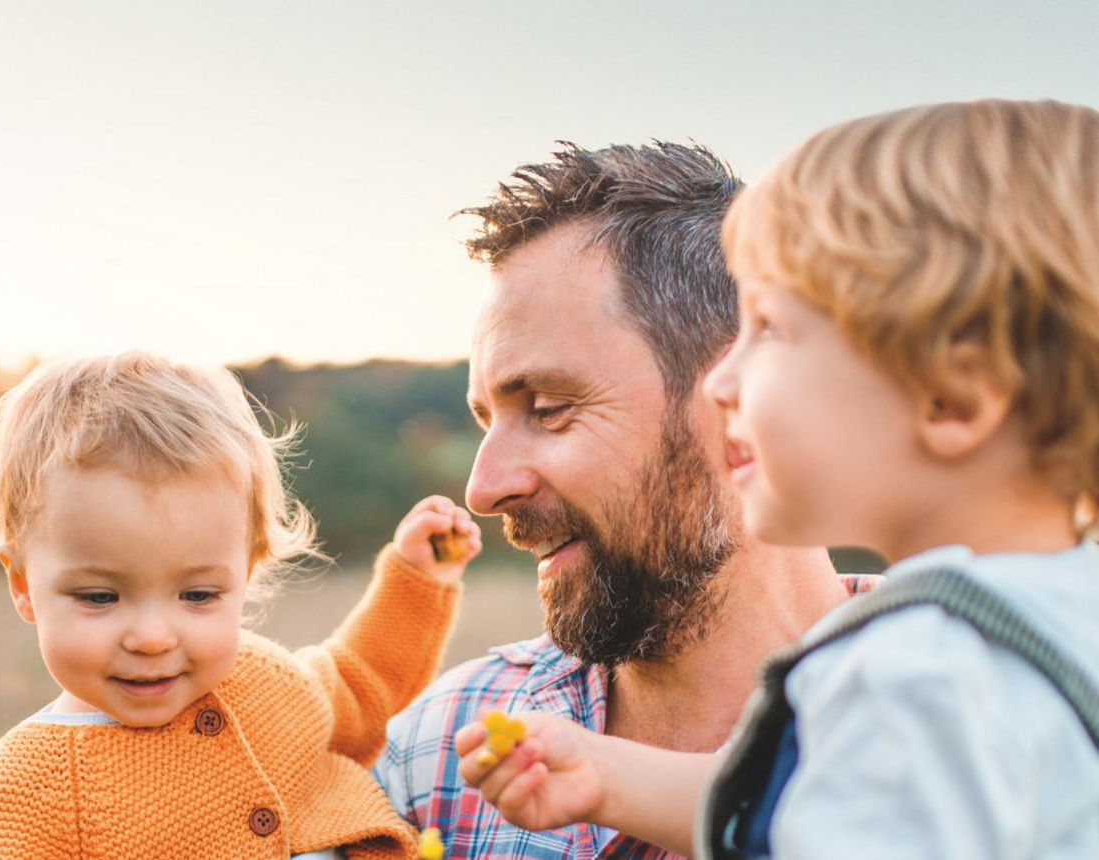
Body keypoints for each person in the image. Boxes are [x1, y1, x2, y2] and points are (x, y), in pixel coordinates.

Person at [455, 99, 1099, 858]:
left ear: (952, 397)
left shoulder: (916, 671)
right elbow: (805, 805)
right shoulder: (1040, 627)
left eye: (770, 329)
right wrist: (609, 777)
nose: (721, 382)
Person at [375, 142, 880, 859]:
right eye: (485, 421)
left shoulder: (1001, 725)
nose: (484, 488)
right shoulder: (433, 755)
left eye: (548, 408)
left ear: (745, 402)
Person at [0, 352, 481, 860]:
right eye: (100, 597)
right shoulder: (23, 796)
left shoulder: (266, 685)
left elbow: (360, 684)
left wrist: (415, 581)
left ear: (245, 573)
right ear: (22, 584)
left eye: (197, 595)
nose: (152, 637)